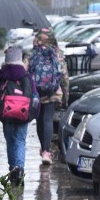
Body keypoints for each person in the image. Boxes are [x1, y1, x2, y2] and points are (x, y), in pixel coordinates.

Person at [0, 45, 38, 187]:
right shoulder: (27, 76)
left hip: (6, 115)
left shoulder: (2, 76)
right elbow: (35, 97)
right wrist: (33, 115)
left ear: (7, 59)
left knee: (11, 142)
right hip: (23, 115)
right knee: (20, 141)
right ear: (20, 59)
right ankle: (19, 169)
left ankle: (13, 170)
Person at [28, 28, 68, 164]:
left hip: (36, 92)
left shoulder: (32, 53)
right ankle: (47, 151)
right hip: (53, 92)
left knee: (40, 121)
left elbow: (25, 73)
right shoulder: (58, 53)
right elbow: (64, 76)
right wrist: (65, 96)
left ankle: (43, 149)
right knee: (48, 119)